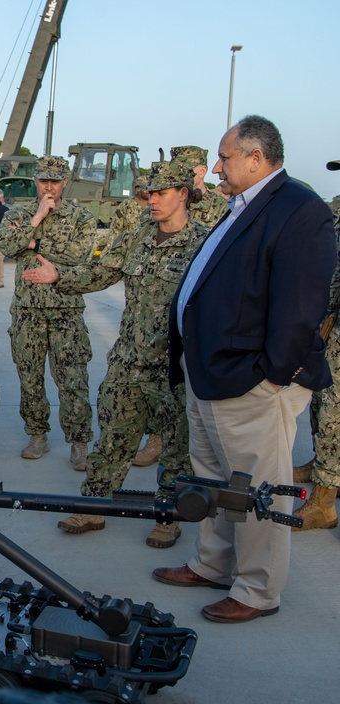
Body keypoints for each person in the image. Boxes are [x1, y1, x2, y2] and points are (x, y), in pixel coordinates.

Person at [154, 116, 335, 623]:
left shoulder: (299, 210)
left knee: (258, 491)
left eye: (224, 157)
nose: (215, 168)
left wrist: (273, 377)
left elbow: (302, 308)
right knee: (213, 479)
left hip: (249, 381)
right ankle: (212, 564)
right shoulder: (243, 206)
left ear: (256, 158)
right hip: (209, 372)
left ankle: (257, 591)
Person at [22, 162, 206, 546]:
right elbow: (101, 272)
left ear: (183, 194)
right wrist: (61, 277)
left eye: (161, 193)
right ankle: (95, 506)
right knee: (113, 436)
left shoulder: (203, 244)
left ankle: (167, 516)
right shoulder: (136, 238)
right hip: (129, 359)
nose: (151, 200)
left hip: (174, 365)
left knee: (175, 444)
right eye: (148, 193)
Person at [131, 147, 230, 468]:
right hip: (147, 329)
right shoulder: (150, 220)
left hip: (188, 336)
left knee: (186, 423)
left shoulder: (218, 207)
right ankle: (156, 440)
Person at [0, 155, 96, 468]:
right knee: (30, 378)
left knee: (73, 379)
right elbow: (6, 245)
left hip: (66, 310)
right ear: (35, 181)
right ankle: (37, 434)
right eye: (43, 180)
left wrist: (32, 243)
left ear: (65, 181)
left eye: (55, 180)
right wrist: (36, 219)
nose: (49, 186)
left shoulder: (82, 217)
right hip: (27, 311)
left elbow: (79, 256)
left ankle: (79, 441)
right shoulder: (19, 213)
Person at [291, 158, 340, 531]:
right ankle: (323, 468)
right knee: (322, 402)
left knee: (334, 414)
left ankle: (325, 501)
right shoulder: (335, 212)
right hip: (330, 326)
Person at [93, 173, 149, 258]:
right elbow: (116, 229)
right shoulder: (126, 205)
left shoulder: (154, 204)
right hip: (128, 246)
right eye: (146, 188)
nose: (149, 190)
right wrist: (111, 248)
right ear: (137, 189)